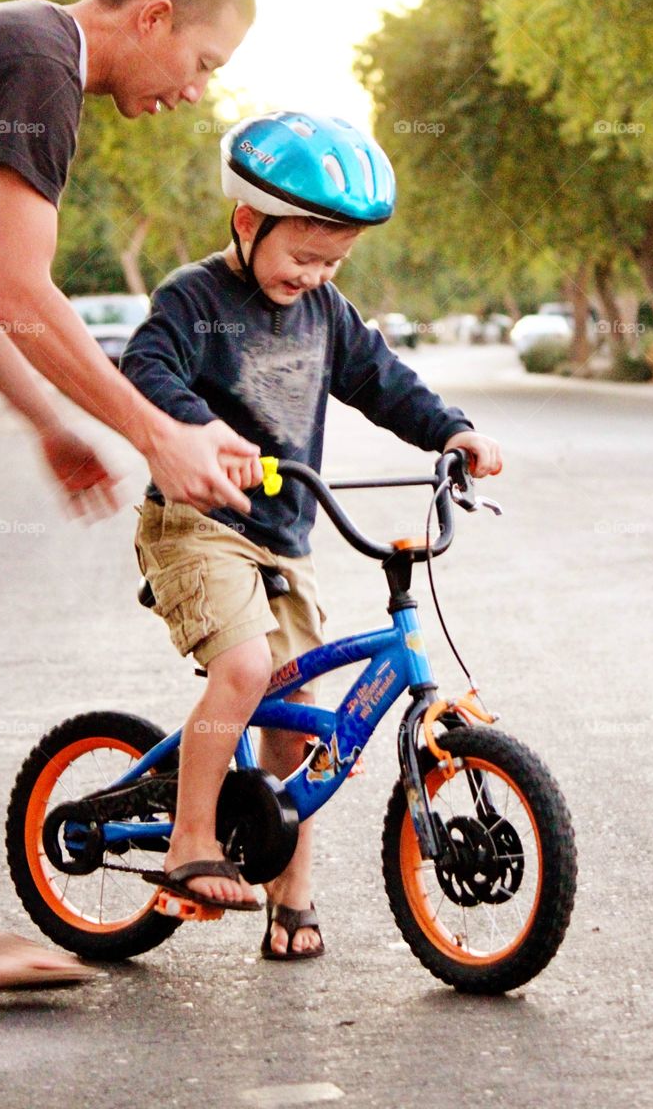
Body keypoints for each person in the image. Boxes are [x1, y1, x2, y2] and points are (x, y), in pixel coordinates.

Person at [0, 0, 264, 992]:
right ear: (152, 17)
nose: (196, 92)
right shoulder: (41, 68)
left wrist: (48, 421)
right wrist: (159, 432)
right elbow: (25, 294)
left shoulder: (13, 49)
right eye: (204, 63)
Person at [121, 111, 502, 960]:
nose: (316, 273)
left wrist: (451, 432)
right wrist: (195, 432)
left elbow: (383, 381)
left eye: (333, 260)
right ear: (248, 222)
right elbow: (146, 367)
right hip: (199, 524)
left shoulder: (326, 312)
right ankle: (190, 840)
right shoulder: (195, 298)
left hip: (284, 531)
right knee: (248, 668)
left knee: (298, 718)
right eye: (303, 254)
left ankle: (290, 898)